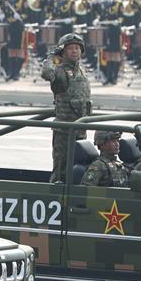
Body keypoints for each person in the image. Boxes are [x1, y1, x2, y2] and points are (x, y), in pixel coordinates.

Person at [41, 32, 92, 183]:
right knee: (61, 169)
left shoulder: (82, 71)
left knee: (79, 167)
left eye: (77, 48)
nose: (75, 51)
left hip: (80, 129)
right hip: (64, 131)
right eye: (70, 48)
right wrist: (52, 56)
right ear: (63, 52)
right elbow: (46, 73)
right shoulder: (60, 71)